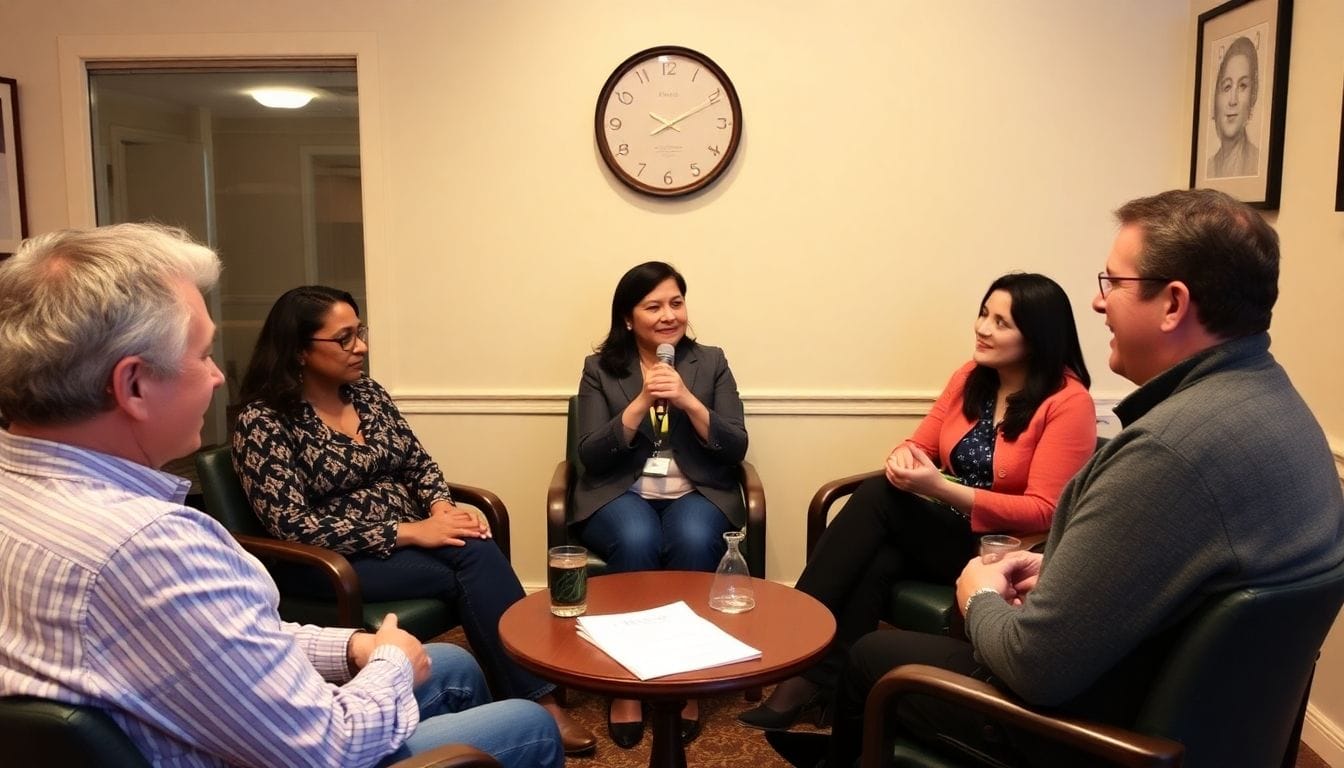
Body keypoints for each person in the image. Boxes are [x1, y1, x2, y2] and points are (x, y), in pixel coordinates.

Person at [767, 189, 1344, 768]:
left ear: (1172, 304)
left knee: (875, 658)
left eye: (1111, 283)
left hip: (1101, 731)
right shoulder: (1276, 409)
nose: (1098, 304)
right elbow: (1177, 569)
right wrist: (1064, 566)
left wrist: (980, 596)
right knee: (881, 529)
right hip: (1196, 717)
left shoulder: (1167, 450)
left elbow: (1034, 666)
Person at [0, 223, 564, 768]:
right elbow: (327, 747)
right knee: (525, 725)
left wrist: (351, 648)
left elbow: (229, 642)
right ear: (134, 385)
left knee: (452, 664)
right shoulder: (156, 547)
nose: (219, 376)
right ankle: (538, 705)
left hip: (232, 721)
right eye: (202, 355)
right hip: (315, 674)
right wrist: (390, 657)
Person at [231, 285, 595, 757]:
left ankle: (510, 700)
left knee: (472, 549)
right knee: (471, 562)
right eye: (343, 339)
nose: (360, 346)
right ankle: (538, 701)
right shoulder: (263, 421)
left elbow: (418, 464)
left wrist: (441, 507)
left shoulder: (367, 394)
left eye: (360, 333)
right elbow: (290, 523)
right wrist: (410, 531)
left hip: (408, 543)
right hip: (329, 564)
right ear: (300, 350)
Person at [739, 273, 1096, 731]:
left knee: (878, 498)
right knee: (878, 557)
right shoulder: (970, 378)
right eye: (984, 313)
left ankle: (793, 634)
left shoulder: (1068, 402)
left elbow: (1045, 510)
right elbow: (919, 443)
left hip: (997, 553)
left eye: (1001, 322)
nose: (983, 328)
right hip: (940, 532)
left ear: (1038, 336)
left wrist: (938, 488)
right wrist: (903, 461)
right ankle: (824, 686)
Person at [572, 261, 748, 748]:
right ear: (628, 318)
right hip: (620, 493)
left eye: (676, 302)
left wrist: (690, 402)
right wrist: (639, 402)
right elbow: (589, 454)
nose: (669, 315)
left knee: (693, 539)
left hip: (697, 491)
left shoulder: (709, 361)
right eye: (653, 306)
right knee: (636, 539)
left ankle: (684, 677)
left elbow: (736, 446)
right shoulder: (601, 368)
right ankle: (626, 681)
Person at [1207, 35, 1260, 179]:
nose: (1233, 100)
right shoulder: (1209, 166)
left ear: (1252, 96)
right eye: (1227, 86)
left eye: (1243, 86)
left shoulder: (1256, 161)